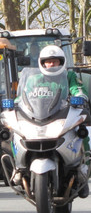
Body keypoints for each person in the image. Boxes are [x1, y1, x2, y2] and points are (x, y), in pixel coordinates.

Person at [35, 45, 89, 198]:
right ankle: (18, 169)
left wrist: (79, 97)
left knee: (81, 132)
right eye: (48, 62)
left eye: (54, 61)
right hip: (39, 118)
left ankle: (82, 173)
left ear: (61, 62)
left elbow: (78, 89)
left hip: (62, 115)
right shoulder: (35, 79)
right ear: (42, 63)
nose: (51, 65)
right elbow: (23, 96)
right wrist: (17, 103)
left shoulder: (69, 76)